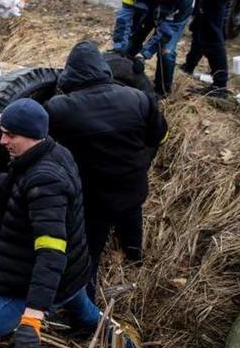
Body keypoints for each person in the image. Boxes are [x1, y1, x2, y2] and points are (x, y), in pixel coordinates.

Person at [0, 99, 135, 348]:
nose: (2, 141)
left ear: (30, 134)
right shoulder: (54, 154)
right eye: (3, 132)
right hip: (72, 275)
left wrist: (31, 317)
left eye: (10, 135)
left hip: (34, 283)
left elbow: (51, 253)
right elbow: (14, 184)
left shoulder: (46, 181)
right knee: (89, 316)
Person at [45, 41, 168, 300]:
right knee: (131, 214)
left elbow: (44, 148)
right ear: (104, 68)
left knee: (88, 251)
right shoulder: (139, 98)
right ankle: (135, 258)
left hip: (94, 197)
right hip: (134, 185)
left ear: (71, 73)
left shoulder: (58, 108)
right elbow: (160, 136)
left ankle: (86, 306)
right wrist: (138, 159)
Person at [112, 0, 194, 96]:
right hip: (145, 8)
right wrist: (118, 45)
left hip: (170, 19)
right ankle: (123, 79)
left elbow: (166, 31)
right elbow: (125, 16)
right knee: (128, 45)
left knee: (166, 53)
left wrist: (144, 55)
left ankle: (162, 92)